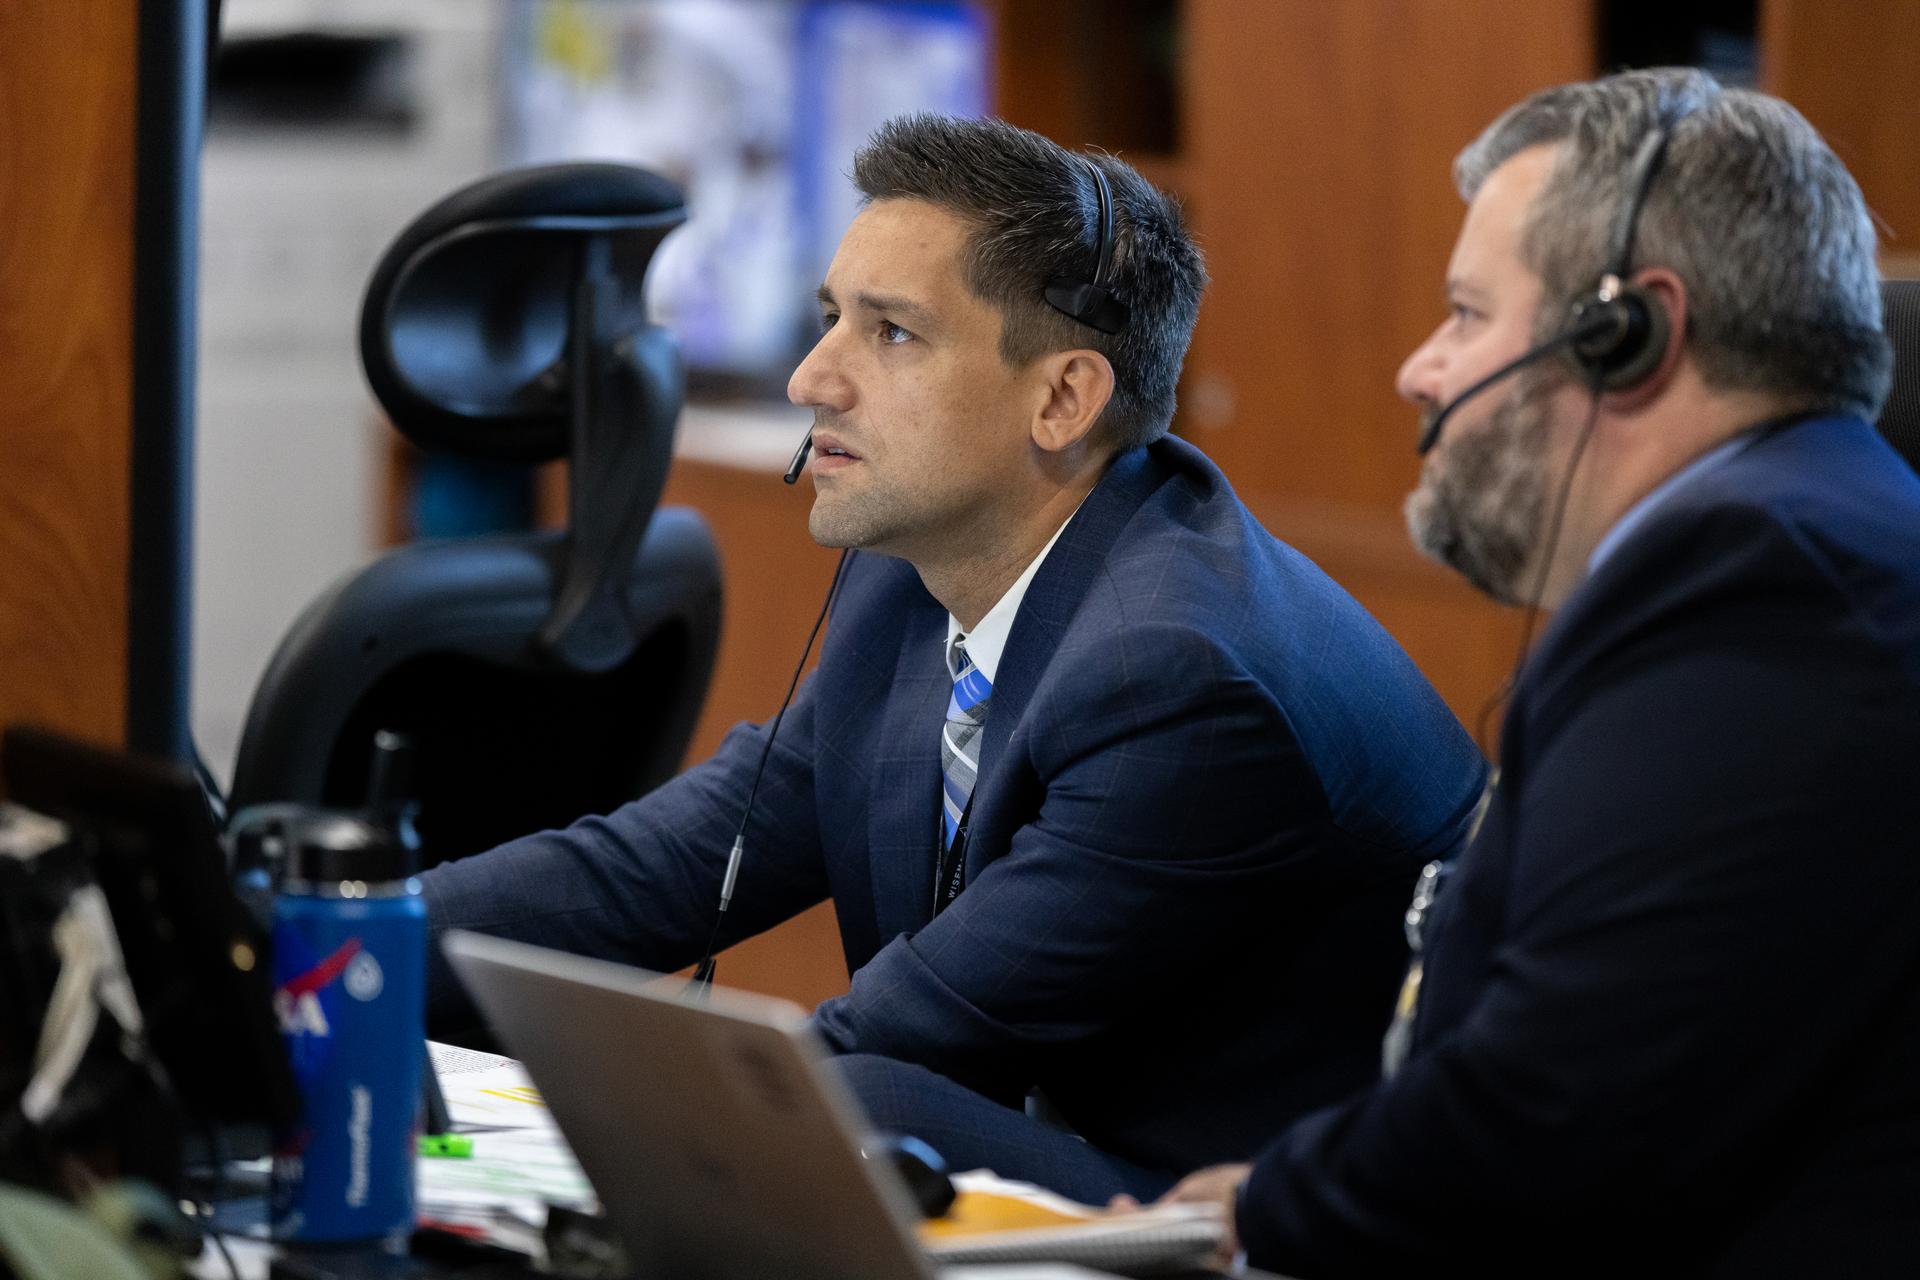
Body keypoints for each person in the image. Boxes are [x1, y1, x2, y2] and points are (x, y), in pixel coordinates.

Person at [422, 113, 1487, 1202]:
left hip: (1254, 1211)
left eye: (890, 334)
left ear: (1064, 397)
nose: (809, 380)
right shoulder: (917, 573)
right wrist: (330, 941)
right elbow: (665, 867)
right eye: (829, 317)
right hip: (1072, 1145)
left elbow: (918, 1033)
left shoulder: (1177, 675)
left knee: (859, 1106)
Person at [1156, 68, 1920, 1275]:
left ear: (1630, 336)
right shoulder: (1811, 535)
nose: (1421, 368)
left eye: (1465, 313)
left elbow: (1554, 1109)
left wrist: (1258, 1211)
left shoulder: (1753, 585)